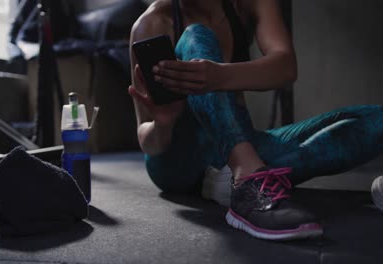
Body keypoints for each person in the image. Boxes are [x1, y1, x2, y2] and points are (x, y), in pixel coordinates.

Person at [128, 0, 383, 240]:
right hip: (179, 158)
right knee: (196, 35)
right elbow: (148, 142)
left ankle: (232, 181)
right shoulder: (152, 24)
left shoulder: (245, 4)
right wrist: (164, 123)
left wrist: (219, 76)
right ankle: (247, 181)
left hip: (240, 141)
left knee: (376, 120)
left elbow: (285, 67)